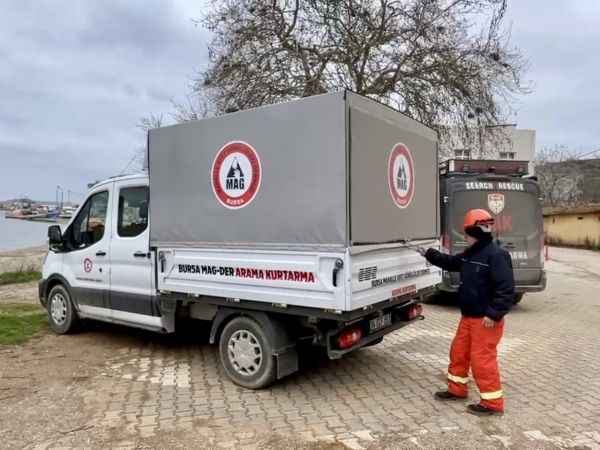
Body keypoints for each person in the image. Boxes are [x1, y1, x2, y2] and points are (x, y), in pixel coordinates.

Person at [417, 208, 515, 416]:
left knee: (482, 360)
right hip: (469, 317)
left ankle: (492, 404)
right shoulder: (472, 253)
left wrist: (494, 313)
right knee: (459, 353)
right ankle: (457, 389)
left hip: (486, 320)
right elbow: (451, 263)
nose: (465, 238)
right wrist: (429, 254)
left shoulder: (497, 255)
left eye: (467, 234)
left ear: (476, 233)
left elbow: (506, 289)